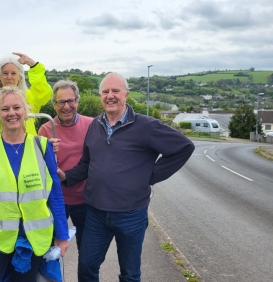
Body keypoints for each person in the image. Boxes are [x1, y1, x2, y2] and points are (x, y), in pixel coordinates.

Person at [58, 72, 195, 282]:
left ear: (126, 94)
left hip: (130, 214)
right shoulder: (95, 125)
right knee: (86, 267)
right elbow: (87, 164)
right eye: (105, 91)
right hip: (95, 213)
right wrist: (65, 176)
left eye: (115, 91)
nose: (110, 96)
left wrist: (148, 176)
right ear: (100, 95)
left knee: (129, 274)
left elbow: (184, 147)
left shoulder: (146, 126)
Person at [0, 86, 69, 282]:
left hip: (32, 240)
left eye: (17, 107)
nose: (11, 113)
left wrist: (62, 235)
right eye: (5, 109)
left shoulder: (42, 146)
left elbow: (54, 194)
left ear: (26, 111)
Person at [38, 80, 93, 251]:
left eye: (71, 101)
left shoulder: (92, 125)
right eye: (61, 102)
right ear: (54, 105)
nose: (66, 106)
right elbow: (39, 167)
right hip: (56, 200)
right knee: (51, 249)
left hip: (87, 200)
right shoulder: (46, 130)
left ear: (77, 101)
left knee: (88, 253)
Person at [0, 52, 52, 136]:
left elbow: (45, 93)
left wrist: (33, 66)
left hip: (29, 147)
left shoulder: (28, 97)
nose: (9, 77)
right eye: (5, 73)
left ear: (20, 76)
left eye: (13, 73)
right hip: (1, 147)